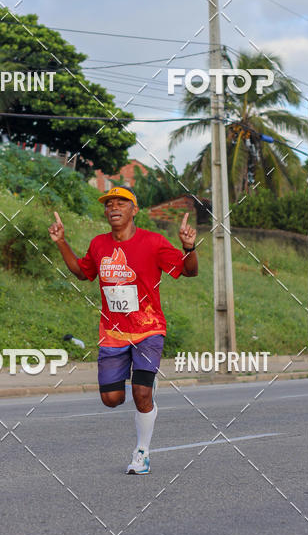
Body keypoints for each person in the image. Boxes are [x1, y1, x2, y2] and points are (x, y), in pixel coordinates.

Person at [49, 186, 198, 473]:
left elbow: (189, 271)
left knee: (141, 394)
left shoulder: (153, 242)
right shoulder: (99, 245)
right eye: (109, 204)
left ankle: (141, 453)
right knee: (112, 400)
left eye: (121, 203)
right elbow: (83, 273)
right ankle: (145, 383)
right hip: (113, 333)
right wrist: (61, 242)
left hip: (148, 329)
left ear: (134, 209)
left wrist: (189, 248)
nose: (113, 208)